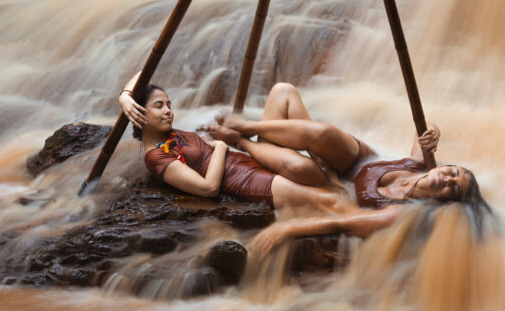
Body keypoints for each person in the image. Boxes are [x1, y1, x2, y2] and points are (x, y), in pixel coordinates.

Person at [201, 83, 494, 252]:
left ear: (444, 201)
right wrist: (434, 133)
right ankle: (248, 127)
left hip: (334, 187)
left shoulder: (400, 212)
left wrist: (288, 230)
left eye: (453, 187)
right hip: (353, 161)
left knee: (298, 167)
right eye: (455, 172)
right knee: (285, 93)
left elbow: (343, 223)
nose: (448, 178)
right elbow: (425, 127)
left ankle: (241, 141)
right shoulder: (421, 165)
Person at [118, 73, 353, 215]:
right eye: (159, 106)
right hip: (251, 182)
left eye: (169, 104)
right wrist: (220, 147)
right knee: (331, 199)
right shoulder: (156, 157)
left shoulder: (169, 134)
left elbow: (143, 71)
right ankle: (332, 177)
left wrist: (125, 96)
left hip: (254, 160)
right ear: (141, 113)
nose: (169, 111)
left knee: (283, 91)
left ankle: (325, 165)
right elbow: (208, 188)